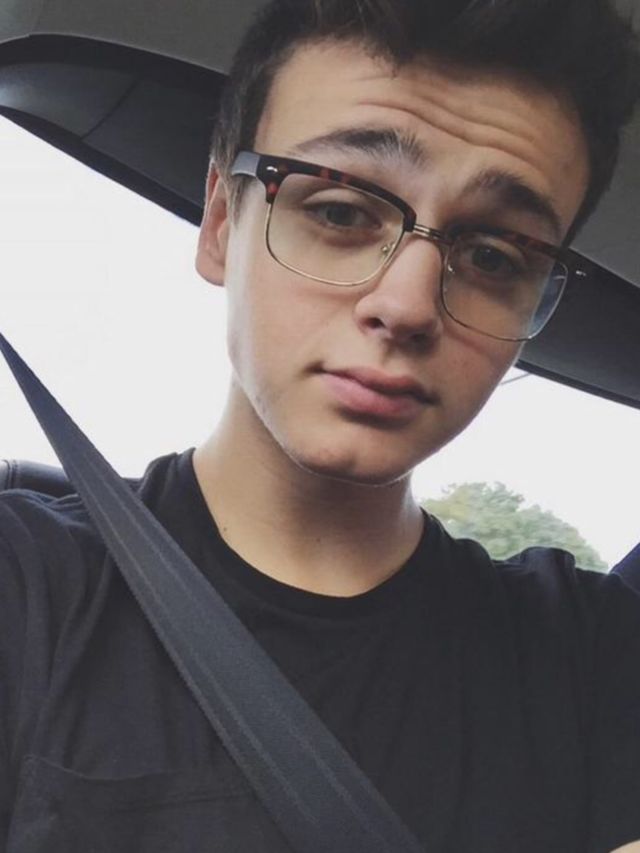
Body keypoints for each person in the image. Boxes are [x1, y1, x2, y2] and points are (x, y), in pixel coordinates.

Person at [1, 0, 639, 850]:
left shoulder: (596, 657)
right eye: (340, 211)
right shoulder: (26, 588)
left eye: (495, 256)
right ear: (221, 224)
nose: (406, 305)